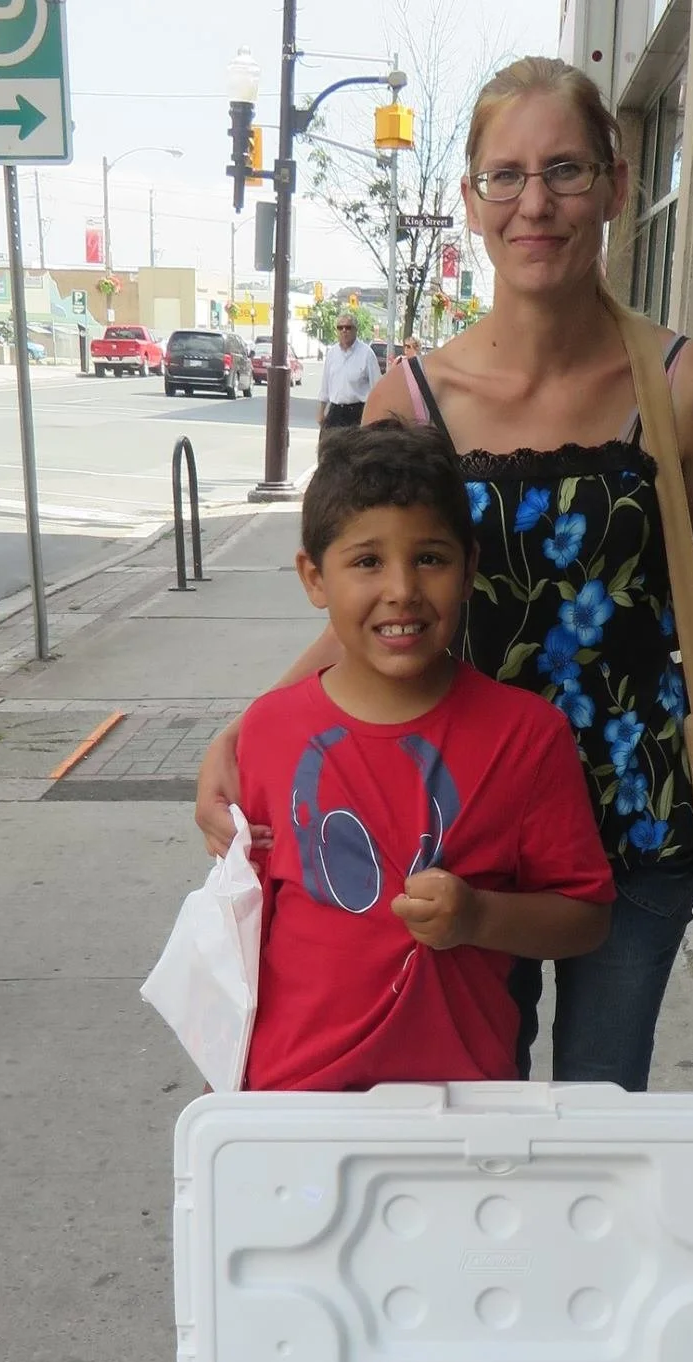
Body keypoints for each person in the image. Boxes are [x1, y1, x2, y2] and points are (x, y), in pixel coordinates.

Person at [200, 55, 693, 1090]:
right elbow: (370, 605)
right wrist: (250, 728)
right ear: (471, 201)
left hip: (633, 801)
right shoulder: (412, 398)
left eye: (564, 170)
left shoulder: (685, 384)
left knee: (600, 1097)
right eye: (505, 176)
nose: (535, 203)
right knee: (470, 1097)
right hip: (458, 812)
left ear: (614, 185)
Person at [236, 419, 612, 1091]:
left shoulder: (528, 737)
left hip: (462, 1103)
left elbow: (584, 918)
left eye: (430, 558)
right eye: (367, 561)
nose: (402, 589)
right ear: (314, 577)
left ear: (468, 570)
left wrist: (478, 917)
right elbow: (241, 925)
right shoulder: (267, 730)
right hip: (291, 1096)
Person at [316, 311, 380, 452]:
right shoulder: (332, 353)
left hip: (357, 413)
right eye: (340, 328)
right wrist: (321, 412)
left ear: (355, 330)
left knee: (355, 455)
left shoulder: (367, 354)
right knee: (328, 453)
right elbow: (325, 386)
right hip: (335, 412)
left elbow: (377, 388)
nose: (344, 331)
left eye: (348, 327)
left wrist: (373, 417)